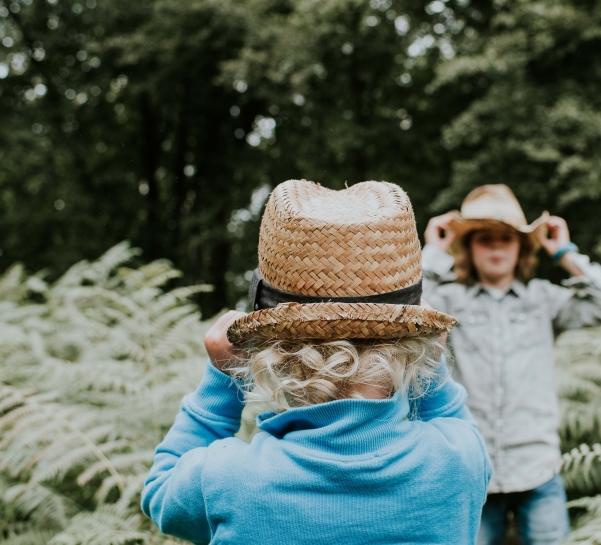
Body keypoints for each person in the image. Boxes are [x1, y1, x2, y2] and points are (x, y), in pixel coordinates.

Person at [142, 180, 491, 544]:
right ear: (417, 341)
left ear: (268, 348)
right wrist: (430, 361)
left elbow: (161, 490)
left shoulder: (228, 480)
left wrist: (222, 378)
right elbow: (456, 423)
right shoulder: (458, 462)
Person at [422, 184, 601, 545]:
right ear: (469, 248)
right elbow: (408, 310)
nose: (497, 246)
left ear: (521, 248)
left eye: (507, 238)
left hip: (538, 469)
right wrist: (435, 252)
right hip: (474, 469)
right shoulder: (447, 300)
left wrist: (564, 251)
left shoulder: (544, 300)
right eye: (485, 238)